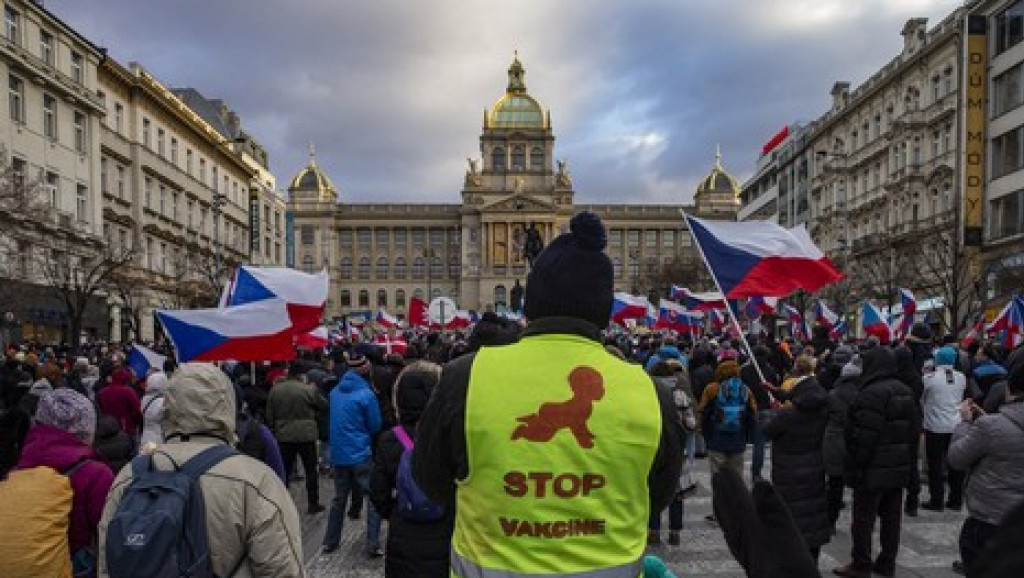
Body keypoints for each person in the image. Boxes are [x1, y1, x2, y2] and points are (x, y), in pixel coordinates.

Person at [414, 212, 683, 577]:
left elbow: (431, 479)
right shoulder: (651, 394)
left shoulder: (465, 377)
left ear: (532, 303)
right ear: (604, 310)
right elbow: (657, 497)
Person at [97, 363, 304, 577]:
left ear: (168, 407)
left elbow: (106, 565)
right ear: (226, 405)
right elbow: (282, 569)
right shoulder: (255, 480)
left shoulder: (130, 475)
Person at [834, 347, 916, 578]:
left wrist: (856, 464)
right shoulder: (905, 391)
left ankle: (861, 563)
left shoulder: (871, 393)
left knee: (863, 519)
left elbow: (864, 436)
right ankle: (886, 562)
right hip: (896, 466)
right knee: (892, 519)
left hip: (872, 468)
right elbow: (913, 431)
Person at [17, 388, 114, 576]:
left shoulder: (17, 464)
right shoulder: (95, 473)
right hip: (74, 565)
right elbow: (109, 534)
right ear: (86, 428)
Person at [369, 361, 452, 577]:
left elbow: (378, 492)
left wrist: (397, 512)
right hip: (444, 533)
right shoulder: (449, 437)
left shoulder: (390, 439)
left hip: (403, 534)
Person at [947, 363, 1024, 577]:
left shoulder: (990, 427)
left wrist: (965, 423)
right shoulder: (990, 425)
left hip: (989, 519)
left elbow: (956, 458)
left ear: (1010, 388)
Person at [763, 370, 831, 563]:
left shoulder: (788, 416)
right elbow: (801, 399)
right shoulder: (822, 410)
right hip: (814, 471)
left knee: (790, 519)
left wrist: (774, 411)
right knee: (811, 516)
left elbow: (766, 430)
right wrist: (778, 392)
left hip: (789, 473)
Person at [322, 352, 383, 556]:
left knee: (339, 499)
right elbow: (375, 425)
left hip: (338, 454)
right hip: (360, 452)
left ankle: (330, 541)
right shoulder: (367, 394)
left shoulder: (334, 393)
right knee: (372, 499)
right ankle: (372, 544)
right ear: (364, 369)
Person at [265, 360, 328, 514]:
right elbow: (324, 405)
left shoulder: (276, 390)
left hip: (284, 435)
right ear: (302, 375)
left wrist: (275, 430)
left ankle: (281, 502)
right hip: (306, 435)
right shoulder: (308, 390)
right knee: (310, 470)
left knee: (284, 469)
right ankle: (313, 503)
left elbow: (269, 414)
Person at [648, 359, 695, 546]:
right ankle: (675, 530)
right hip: (676, 448)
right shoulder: (680, 394)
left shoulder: (647, 392)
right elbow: (691, 424)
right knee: (676, 490)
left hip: (653, 447)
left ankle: (654, 529)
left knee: (653, 487)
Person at [920, 346, 966, 512]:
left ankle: (936, 500)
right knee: (956, 463)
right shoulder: (961, 377)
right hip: (956, 425)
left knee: (935, 465)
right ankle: (956, 499)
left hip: (935, 426)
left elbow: (922, 399)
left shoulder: (929, 378)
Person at [698, 357, 757, 481]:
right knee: (736, 477)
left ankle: (720, 499)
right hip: (738, 438)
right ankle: (736, 498)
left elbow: (701, 410)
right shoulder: (744, 389)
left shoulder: (712, 389)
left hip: (716, 439)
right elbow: (753, 412)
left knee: (718, 476)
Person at [824, 355, 861, 531]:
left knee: (835, 483)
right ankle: (861, 524)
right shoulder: (864, 394)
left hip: (835, 440)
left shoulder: (833, 394)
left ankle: (831, 520)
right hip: (856, 440)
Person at [741, 345, 780, 481]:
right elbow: (776, 389)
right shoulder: (770, 371)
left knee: (741, 441)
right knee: (759, 443)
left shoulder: (745, 371)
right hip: (764, 409)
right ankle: (756, 473)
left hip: (746, 409)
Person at [96, 368, 141, 441]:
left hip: (108, 428)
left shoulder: (102, 392)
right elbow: (136, 409)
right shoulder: (128, 391)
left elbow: (99, 408)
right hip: (126, 427)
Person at [139, 371, 168, 449]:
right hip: (158, 437)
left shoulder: (144, 399)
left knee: (145, 458)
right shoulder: (162, 401)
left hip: (145, 435)